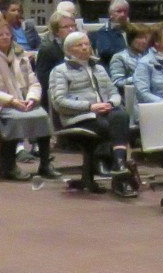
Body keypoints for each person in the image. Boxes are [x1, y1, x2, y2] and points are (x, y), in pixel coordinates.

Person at [0, 17, 56, 180]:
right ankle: (9, 166)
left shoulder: (20, 56)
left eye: (7, 34)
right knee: (13, 118)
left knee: (42, 115)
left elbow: (34, 82)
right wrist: (11, 100)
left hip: (22, 101)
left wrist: (31, 98)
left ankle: (44, 164)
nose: (4, 37)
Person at [48, 30, 130, 182]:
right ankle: (105, 162)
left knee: (121, 116)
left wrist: (110, 103)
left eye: (87, 44)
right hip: (79, 116)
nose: (85, 48)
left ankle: (119, 163)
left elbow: (114, 92)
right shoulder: (60, 71)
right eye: (80, 45)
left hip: (104, 111)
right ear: (69, 49)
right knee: (107, 125)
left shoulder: (99, 68)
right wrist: (90, 106)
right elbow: (59, 102)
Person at [35, 9, 77, 95]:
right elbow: (43, 81)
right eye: (65, 27)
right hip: (57, 94)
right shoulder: (47, 49)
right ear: (56, 31)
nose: (71, 29)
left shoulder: (82, 45)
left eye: (73, 26)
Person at [107, 22, 153, 91]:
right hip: (132, 96)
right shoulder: (119, 57)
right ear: (131, 39)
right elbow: (117, 83)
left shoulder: (151, 55)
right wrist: (138, 77)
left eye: (146, 38)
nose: (144, 41)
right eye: (140, 37)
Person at [90, 0, 132, 65]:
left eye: (125, 11)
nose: (123, 14)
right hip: (112, 66)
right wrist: (131, 53)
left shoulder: (132, 29)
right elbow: (105, 52)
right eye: (119, 11)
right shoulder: (104, 31)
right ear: (111, 14)